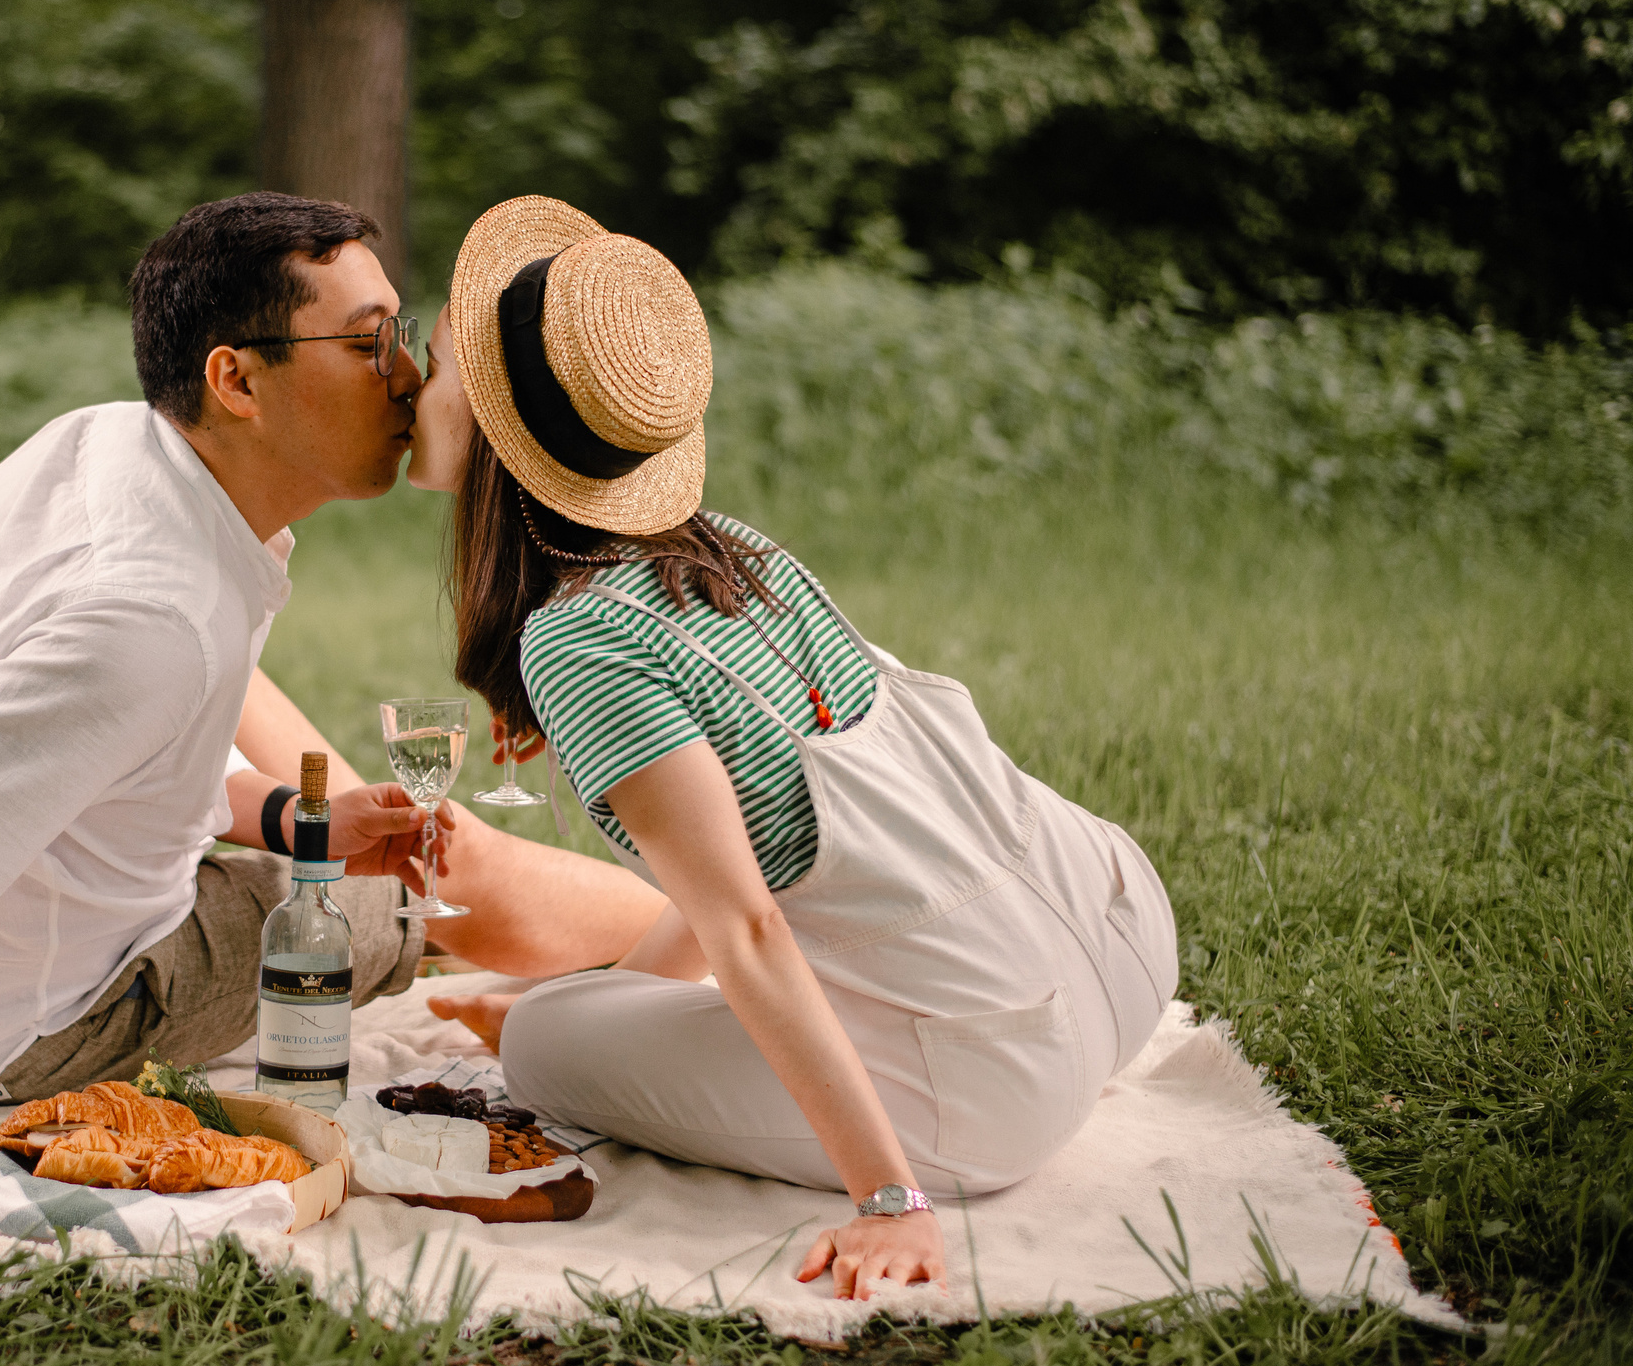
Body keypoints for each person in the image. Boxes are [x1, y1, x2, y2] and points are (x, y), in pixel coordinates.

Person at [0, 192, 662, 1210]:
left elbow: (103, 748)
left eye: (400, 336)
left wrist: (285, 814)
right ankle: (715, 934)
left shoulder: (102, 448)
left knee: (360, 827)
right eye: (369, 346)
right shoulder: (151, 619)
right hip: (23, 1023)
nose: (409, 377)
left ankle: (691, 936)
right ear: (236, 379)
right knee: (417, 883)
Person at [402, 196, 1180, 1299]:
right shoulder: (733, 555)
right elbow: (741, 864)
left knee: (541, 1044)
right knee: (563, 1006)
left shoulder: (579, 634)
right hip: (1118, 935)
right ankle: (581, 1013)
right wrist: (616, 996)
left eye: (431, 361)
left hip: (1004, 1075)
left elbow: (746, 923)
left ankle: (893, 1155)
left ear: (487, 418)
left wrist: (888, 1200)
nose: (407, 384)